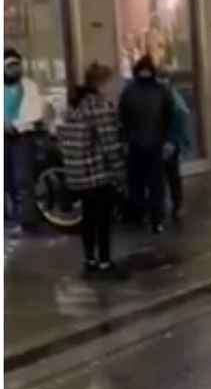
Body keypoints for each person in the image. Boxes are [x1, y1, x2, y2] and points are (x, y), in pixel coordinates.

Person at [62, 62, 128, 278]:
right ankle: (105, 262)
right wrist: (120, 173)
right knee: (102, 219)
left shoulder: (77, 104)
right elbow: (109, 143)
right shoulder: (99, 106)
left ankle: (89, 259)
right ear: (102, 83)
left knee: (88, 218)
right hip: (96, 172)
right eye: (111, 81)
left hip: (78, 172)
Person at [118, 55, 176, 233]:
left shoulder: (129, 91)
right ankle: (156, 218)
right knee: (156, 183)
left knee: (136, 182)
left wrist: (126, 140)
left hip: (136, 143)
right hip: (156, 143)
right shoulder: (162, 91)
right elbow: (169, 117)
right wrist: (168, 140)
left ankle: (140, 215)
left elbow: (123, 118)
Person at [4, 48, 46, 232]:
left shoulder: (29, 86)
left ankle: (28, 220)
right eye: (9, 66)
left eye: (16, 65)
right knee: (6, 179)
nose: (14, 69)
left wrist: (16, 125)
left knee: (24, 179)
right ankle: (10, 214)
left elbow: (35, 112)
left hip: (22, 137)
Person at [156, 67, 194, 221]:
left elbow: (180, 119)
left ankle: (175, 205)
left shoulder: (171, 95)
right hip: (164, 141)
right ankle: (171, 205)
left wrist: (174, 141)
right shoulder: (169, 94)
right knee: (168, 176)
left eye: (163, 77)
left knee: (170, 175)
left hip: (168, 142)